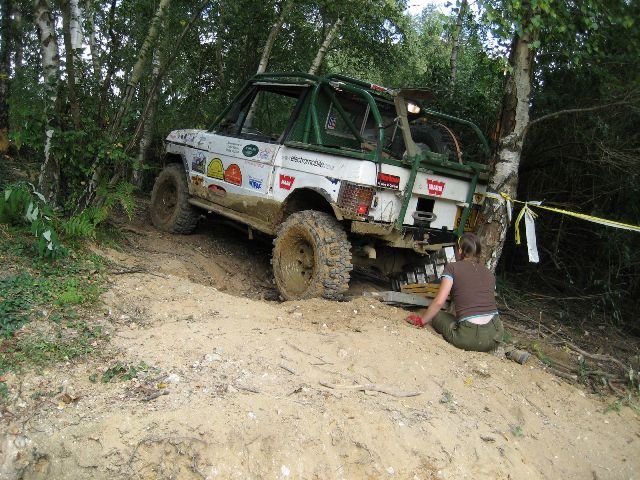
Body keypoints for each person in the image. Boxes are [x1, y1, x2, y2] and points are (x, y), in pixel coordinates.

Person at [406, 232, 504, 352]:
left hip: (469, 338)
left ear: (460, 250)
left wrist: (421, 321)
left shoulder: (452, 268)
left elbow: (439, 302)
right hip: (495, 335)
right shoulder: (489, 273)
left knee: (436, 315)